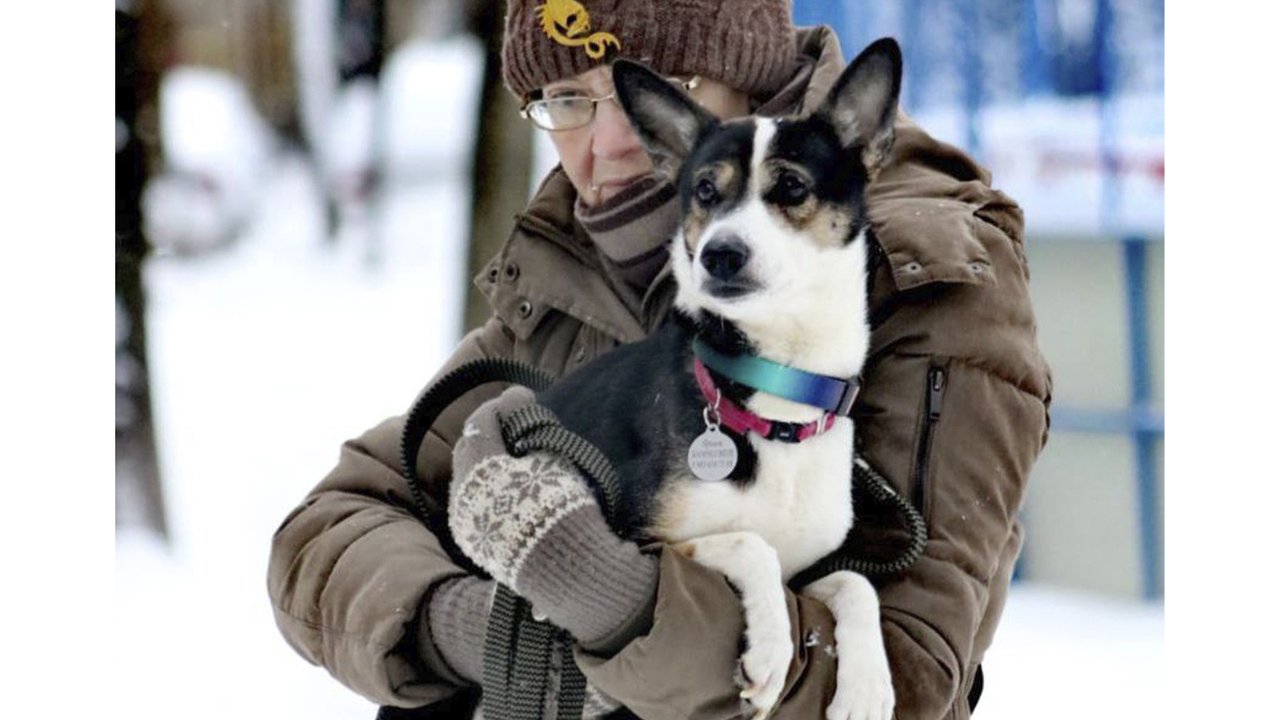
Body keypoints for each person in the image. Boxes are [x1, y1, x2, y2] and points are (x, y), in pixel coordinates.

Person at [267, 1, 1052, 718]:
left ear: (744, 79)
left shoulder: (931, 281)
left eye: (649, 86)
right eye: (566, 100)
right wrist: (472, 626)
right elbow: (329, 530)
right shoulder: (564, 276)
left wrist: (618, 605)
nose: (608, 144)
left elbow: (913, 683)